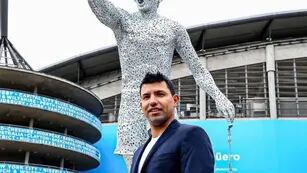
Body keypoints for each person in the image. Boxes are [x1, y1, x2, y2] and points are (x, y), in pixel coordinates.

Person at [88, 0, 234, 168]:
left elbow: (197, 68)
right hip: (132, 107)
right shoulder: (123, 21)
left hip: (163, 105)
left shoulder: (173, 29)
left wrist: (218, 96)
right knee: (137, 166)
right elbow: (100, 6)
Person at [130, 72, 214, 173]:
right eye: (146, 97)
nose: (152, 101)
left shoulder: (191, 135)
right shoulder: (138, 152)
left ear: (175, 100)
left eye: (160, 94)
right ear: (141, 105)